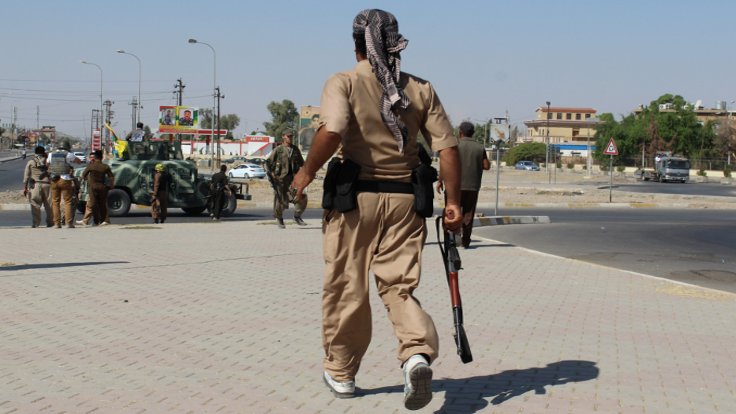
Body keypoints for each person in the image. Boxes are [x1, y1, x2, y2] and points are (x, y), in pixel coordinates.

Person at [290, 9, 462, 410]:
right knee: (399, 287)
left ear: (355, 45)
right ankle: (417, 355)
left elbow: (332, 130)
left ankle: (342, 372)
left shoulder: (344, 82)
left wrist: (305, 173)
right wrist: (453, 203)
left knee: (347, 287)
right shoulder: (420, 88)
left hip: (356, 202)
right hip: (406, 202)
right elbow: (447, 148)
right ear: (394, 43)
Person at [437, 122, 490, 248]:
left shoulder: (453, 145)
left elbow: (446, 164)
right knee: (468, 214)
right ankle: (465, 241)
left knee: (451, 212)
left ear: (460, 132)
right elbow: (486, 166)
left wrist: (440, 180)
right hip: (472, 186)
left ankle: (450, 240)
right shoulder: (479, 147)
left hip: (453, 186)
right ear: (473, 133)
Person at [265, 131, 307, 228]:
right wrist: (272, 175)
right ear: (283, 137)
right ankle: (279, 219)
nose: (290, 138)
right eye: (288, 136)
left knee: (302, 197)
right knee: (281, 200)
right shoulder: (278, 150)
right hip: (280, 180)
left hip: (293, 180)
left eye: (291, 136)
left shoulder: (295, 150)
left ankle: (297, 216)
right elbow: (268, 162)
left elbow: (302, 163)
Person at [47, 141, 81, 228]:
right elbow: (78, 161)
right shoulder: (68, 154)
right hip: (65, 179)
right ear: (66, 147)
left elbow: (47, 164)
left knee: (55, 202)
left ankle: (57, 224)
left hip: (54, 179)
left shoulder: (51, 154)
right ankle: (68, 223)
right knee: (67, 202)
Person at [80, 150, 114, 226]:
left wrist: (88, 181)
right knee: (102, 204)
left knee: (94, 204)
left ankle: (96, 221)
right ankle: (104, 220)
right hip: (103, 187)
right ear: (102, 158)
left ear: (95, 158)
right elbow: (111, 177)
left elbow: (83, 175)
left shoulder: (91, 166)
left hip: (92, 187)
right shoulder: (105, 166)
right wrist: (111, 186)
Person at [23, 146, 53, 228]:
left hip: (35, 185)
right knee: (49, 205)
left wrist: (25, 187)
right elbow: (52, 173)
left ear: (35, 153)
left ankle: (36, 223)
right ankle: (50, 223)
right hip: (47, 185)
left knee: (35, 204)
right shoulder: (48, 161)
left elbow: (26, 176)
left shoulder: (31, 162)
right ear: (44, 152)